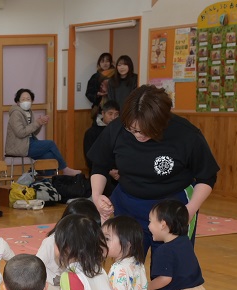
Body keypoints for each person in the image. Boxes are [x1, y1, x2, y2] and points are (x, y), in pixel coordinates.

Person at [88, 85, 219, 253]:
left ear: (161, 123)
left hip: (171, 211)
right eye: (133, 130)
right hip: (128, 207)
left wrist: (190, 210)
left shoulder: (186, 134)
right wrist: (97, 195)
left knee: (169, 266)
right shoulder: (117, 128)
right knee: (127, 265)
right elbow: (100, 165)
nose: (138, 135)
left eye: (145, 131)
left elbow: (207, 176)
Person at [35, 199, 101, 290]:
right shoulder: (51, 242)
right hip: (55, 288)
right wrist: (41, 283)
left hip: (77, 285)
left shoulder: (84, 242)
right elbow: (37, 264)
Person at [5, 88, 82, 176]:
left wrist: (40, 123)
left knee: (49, 156)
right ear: (18, 102)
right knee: (50, 144)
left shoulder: (29, 112)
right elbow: (20, 133)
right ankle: (65, 169)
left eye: (28, 99)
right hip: (19, 146)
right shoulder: (15, 113)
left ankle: (48, 180)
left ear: (32, 101)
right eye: (23, 99)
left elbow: (33, 132)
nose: (26, 101)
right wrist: (37, 123)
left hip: (29, 142)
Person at [83, 100, 120, 196]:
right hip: (101, 172)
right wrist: (109, 171)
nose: (113, 117)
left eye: (116, 114)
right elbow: (90, 159)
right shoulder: (91, 133)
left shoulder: (121, 131)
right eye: (110, 114)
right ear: (103, 113)